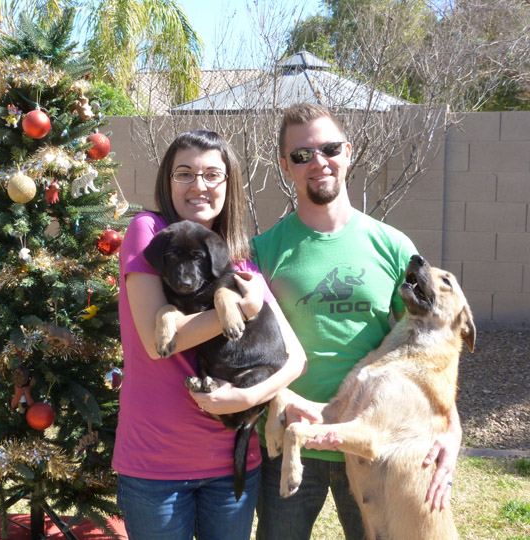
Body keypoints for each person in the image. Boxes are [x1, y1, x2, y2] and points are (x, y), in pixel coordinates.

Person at [251, 103, 462, 540]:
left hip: (377, 445)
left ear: (348, 152)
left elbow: (430, 347)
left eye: (328, 148)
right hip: (296, 439)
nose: (318, 162)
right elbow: (253, 344)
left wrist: (451, 433)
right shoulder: (265, 250)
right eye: (301, 154)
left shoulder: (392, 245)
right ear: (284, 165)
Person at [113, 129, 307, 540]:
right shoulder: (151, 233)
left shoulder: (240, 264)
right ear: (168, 181)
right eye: (184, 173)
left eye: (211, 175)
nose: (198, 185)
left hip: (232, 460)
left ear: (228, 184)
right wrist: (242, 308)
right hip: (157, 461)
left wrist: (247, 397)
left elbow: (296, 357)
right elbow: (156, 342)